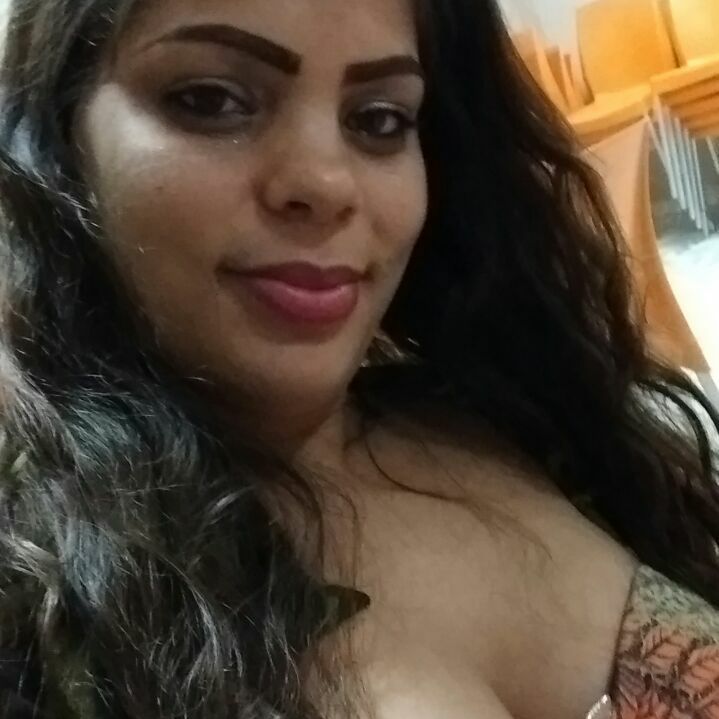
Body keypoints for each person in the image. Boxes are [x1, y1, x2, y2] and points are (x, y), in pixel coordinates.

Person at [0, 0, 718, 717]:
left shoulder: (514, 409)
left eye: (379, 119)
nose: (327, 182)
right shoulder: (36, 604)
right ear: (59, 141)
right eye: (211, 100)